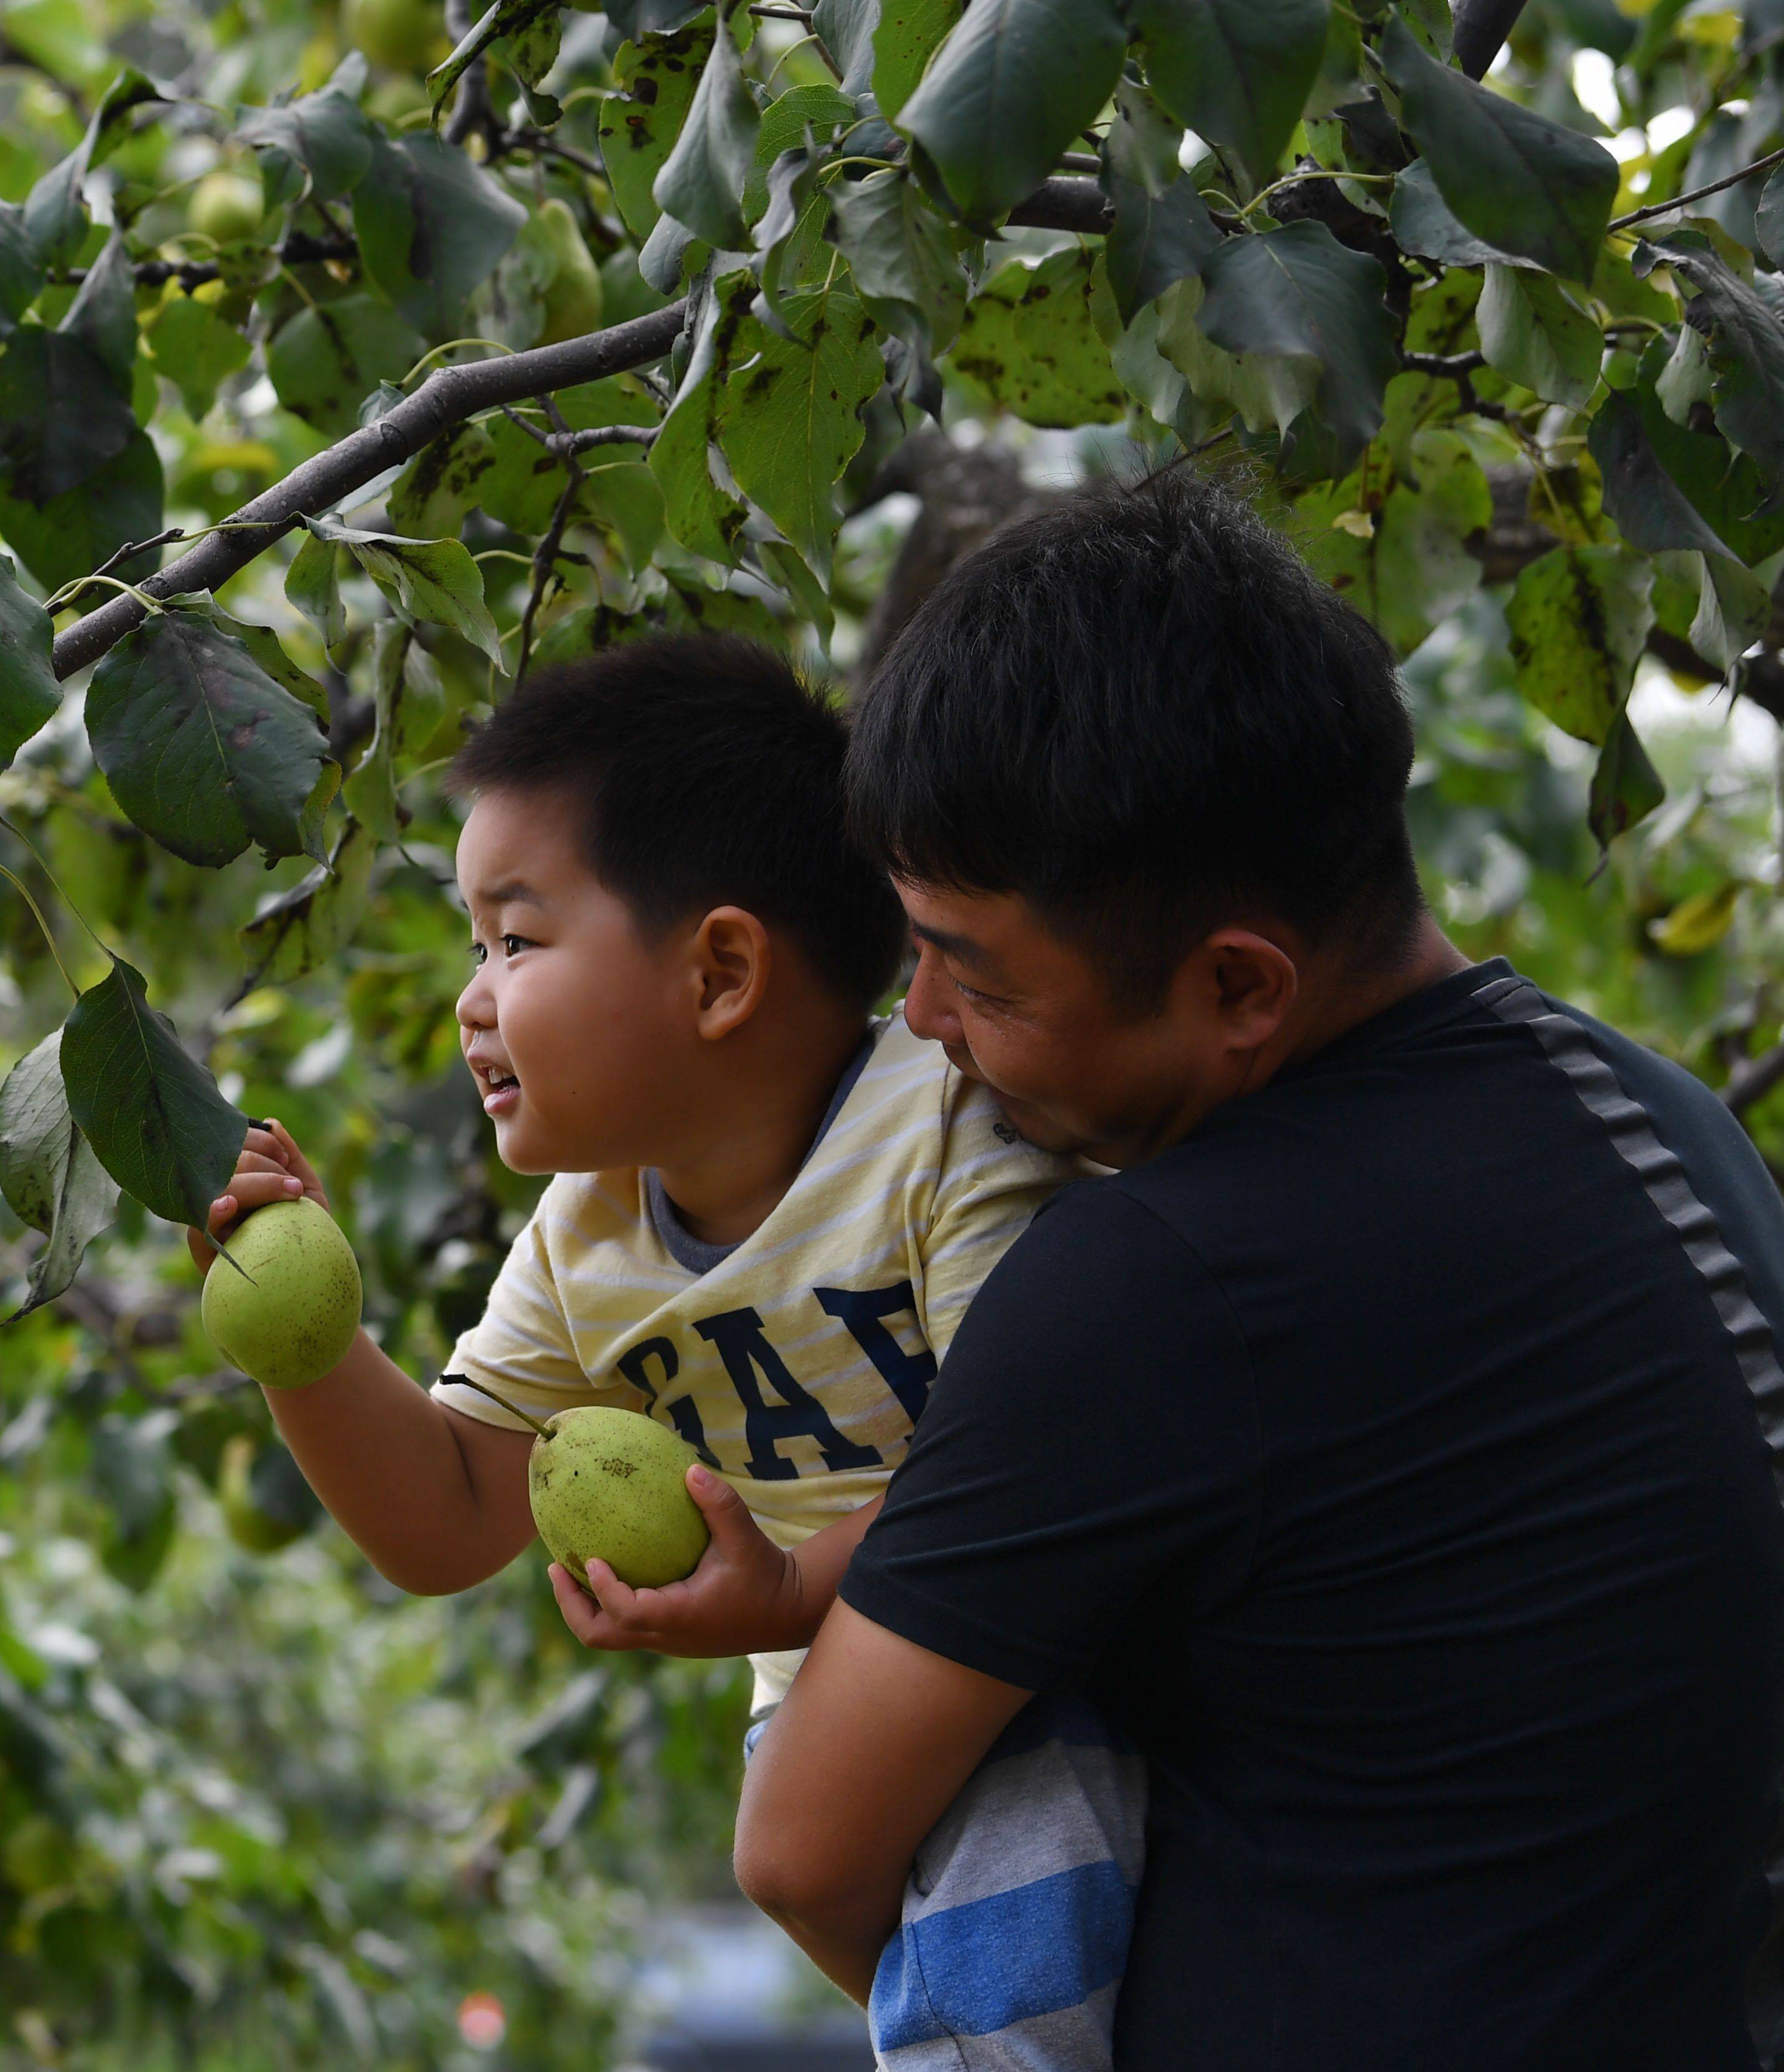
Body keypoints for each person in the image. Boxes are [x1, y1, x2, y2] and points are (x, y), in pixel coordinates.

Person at [734, 467, 1784, 2070]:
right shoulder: (1665, 1115)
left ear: (1238, 984)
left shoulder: (1164, 1278)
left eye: (974, 972)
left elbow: (805, 1850)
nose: (926, 1031)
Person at [198, 636, 1136, 2063]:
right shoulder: (585, 1242)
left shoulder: (940, 1133)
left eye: (516, 939)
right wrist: (306, 1345)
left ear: (719, 972)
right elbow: (446, 1515)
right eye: (475, 944)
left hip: (1040, 1665)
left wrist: (786, 1590)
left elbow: (1028, 1459)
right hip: (835, 1722)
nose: (473, 997)